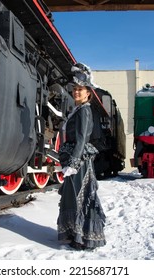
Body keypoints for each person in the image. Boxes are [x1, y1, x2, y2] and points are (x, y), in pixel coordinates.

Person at [57, 63, 106, 250]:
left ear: (88, 93)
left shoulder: (85, 110)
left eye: (80, 90)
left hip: (80, 162)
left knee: (80, 198)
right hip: (74, 160)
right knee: (73, 196)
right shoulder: (78, 110)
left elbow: (82, 138)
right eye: (75, 89)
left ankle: (81, 239)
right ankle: (74, 235)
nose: (76, 92)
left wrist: (74, 163)